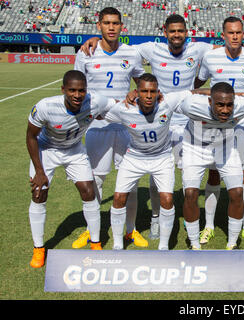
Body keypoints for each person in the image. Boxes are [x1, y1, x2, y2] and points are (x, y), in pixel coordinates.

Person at [80, 14, 244, 241]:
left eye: (181, 31)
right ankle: (157, 218)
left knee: (189, 177)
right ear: (165, 32)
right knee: (157, 176)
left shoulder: (198, 49)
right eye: (172, 31)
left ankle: (190, 220)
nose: (176, 35)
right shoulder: (150, 49)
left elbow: (228, 43)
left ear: (187, 33)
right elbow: (119, 47)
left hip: (188, 123)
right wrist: (96, 39)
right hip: (160, 119)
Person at [102, 73, 207, 250]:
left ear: (158, 92)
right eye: (144, 91)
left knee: (167, 198)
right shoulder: (124, 108)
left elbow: (193, 92)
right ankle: (118, 245)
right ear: (136, 92)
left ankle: (164, 246)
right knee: (119, 197)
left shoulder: (168, 102)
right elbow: (99, 112)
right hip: (134, 157)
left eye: (152, 91)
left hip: (162, 157)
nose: (148, 96)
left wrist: (228, 94)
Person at [26, 70, 117, 268]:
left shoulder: (95, 101)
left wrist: (131, 97)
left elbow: (116, 104)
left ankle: (95, 243)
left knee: (89, 191)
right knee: (39, 193)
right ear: (63, 90)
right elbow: (31, 136)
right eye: (72, 90)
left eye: (81, 90)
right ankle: (39, 249)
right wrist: (40, 172)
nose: (77, 95)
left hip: (74, 149)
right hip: (47, 149)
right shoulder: (45, 106)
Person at [73, 7, 146, 249]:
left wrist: (136, 91)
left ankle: (130, 230)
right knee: (96, 180)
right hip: (97, 126)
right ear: (99, 26)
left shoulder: (131, 53)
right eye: (107, 23)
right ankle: (91, 230)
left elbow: (142, 82)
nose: (111, 27)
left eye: (115, 23)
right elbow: (76, 85)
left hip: (126, 127)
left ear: (121, 26)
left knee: (131, 181)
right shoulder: (86, 53)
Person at [194, 16, 244, 245]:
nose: (235, 37)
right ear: (222, 35)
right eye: (231, 33)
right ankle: (210, 225)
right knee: (214, 174)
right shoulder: (210, 57)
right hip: (217, 127)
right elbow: (198, 84)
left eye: (239, 33)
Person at [180, 82, 244, 250]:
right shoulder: (191, 105)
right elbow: (170, 100)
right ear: (210, 102)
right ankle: (194, 245)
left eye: (229, 105)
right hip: (195, 147)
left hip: (225, 147)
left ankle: (232, 244)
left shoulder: (242, 105)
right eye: (220, 104)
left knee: (237, 193)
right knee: (190, 194)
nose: (225, 110)